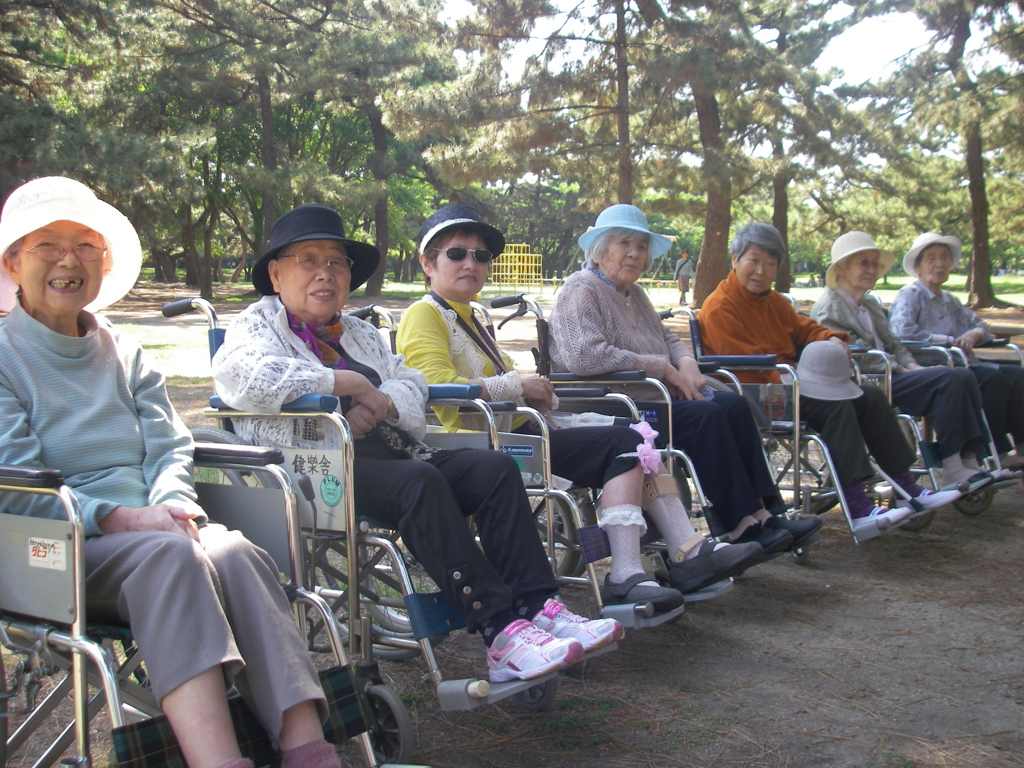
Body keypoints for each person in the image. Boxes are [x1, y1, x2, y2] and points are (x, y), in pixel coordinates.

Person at [0, 177, 343, 768]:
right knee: (169, 556)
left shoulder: (125, 353)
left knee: (235, 551)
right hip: (54, 547)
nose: (68, 261)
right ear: (12, 262)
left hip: (153, 532)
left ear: (104, 263)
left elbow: (169, 448)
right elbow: (18, 485)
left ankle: (307, 750)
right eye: (47, 245)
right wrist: (123, 519)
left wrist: (172, 503)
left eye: (85, 246)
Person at [212, 203, 622, 684]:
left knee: (492, 469)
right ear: (276, 274)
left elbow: (411, 382)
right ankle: (500, 629)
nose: (326, 273)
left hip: (397, 452)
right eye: (309, 260)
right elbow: (242, 377)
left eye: (337, 262)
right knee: (420, 481)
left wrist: (382, 402)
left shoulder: (360, 332)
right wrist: (346, 383)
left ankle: (539, 605)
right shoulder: (255, 326)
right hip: (318, 467)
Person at [396, 204, 762, 608]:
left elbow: (496, 381)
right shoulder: (424, 314)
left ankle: (688, 549)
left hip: (520, 428)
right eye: (456, 254)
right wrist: (519, 384)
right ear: (427, 263)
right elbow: (436, 387)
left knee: (639, 434)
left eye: (480, 256)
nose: (471, 264)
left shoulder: (470, 315)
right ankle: (627, 573)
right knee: (625, 442)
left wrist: (532, 390)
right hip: (480, 442)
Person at [547, 204, 821, 554]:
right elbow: (584, 356)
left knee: (734, 406)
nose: (634, 253)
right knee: (704, 417)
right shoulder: (580, 289)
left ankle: (766, 513)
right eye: (624, 243)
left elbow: (668, 339)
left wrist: (687, 363)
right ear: (600, 250)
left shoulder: (635, 293)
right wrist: (660, 367)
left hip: (649, 395)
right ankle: (739, 524)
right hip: (609, 403)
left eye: (641, 246)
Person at [699, 222, 960, 536]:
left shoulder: (775, 302)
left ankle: (906, 484)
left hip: (793, 382)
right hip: (758, 391)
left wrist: (831, 338)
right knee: (836, 405)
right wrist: (798, 376)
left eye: (770, 264)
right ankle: (856, 504)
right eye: (753, 261)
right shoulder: (720, 306)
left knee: (868, 396)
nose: (760, 271)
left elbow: (807, 328)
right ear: (735, 260)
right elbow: (743, 365)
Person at [811, 231, 994, 486]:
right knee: (951, 379)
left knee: (964, 375)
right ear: (842, 268)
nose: (872, 270)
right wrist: (900, 368)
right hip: (866, 382)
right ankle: (952, 465)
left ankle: (970, 459)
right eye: (864, 263)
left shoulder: (869, 303)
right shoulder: (829, 308)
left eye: (875, 264)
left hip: (891, 375)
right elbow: (853, 354)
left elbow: (894, 343)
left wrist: (912, 365)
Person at [890, 232, 1024, 467]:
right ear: (918, 266)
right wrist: (946, 340)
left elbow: (980, 325)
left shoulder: (949, 300)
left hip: (961, 362)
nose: (939, 263)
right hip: (932, 365)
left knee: (1017, 375)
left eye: (944, 257)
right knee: (993, 379)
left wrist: (974, 334)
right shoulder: (910, 295)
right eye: (931, 258)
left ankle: (1021, 447)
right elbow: (901, 332)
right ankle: (994, 451)